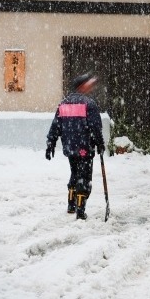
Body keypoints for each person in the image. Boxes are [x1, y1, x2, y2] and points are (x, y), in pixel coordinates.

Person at [46, 73, 105, 220]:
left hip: (70, 147)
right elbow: (95, 127)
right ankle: (80, 210)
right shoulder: (88, 104)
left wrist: (50, 143)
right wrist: (100, 143)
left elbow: (56, 125)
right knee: (84, 177)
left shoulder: (64, 103)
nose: (90, 87)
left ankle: (71, 205)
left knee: (74, 173)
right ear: (82, 86)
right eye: (88, 85)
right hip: (85, 147)